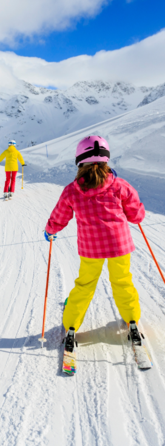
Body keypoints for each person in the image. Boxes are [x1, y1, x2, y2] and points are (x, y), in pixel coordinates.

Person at [44, 135, 145, 351]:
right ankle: (132, 321)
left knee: (85, 285)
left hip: (91, 248)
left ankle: (71, 326)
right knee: (122, 282)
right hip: (119, 245)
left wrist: (51, 229)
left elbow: (60, 215)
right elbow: (135, 212)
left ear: (80, 161)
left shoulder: (72, 190)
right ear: (106, 160)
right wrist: (136, 216)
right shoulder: (119, 185)